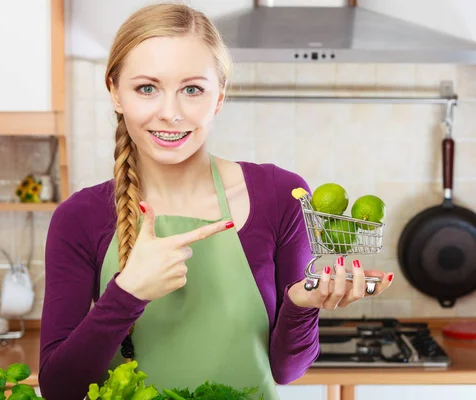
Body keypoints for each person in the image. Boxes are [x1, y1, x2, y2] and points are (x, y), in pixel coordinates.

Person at [38, 3, 394, 399]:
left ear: (219, 97)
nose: (170, 113)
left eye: (192, 89)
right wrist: (129, 292)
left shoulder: (281, 196)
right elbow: (58, 388)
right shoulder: (80, 218)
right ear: (115, 93)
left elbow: (287, 370)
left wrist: (301, 303)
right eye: (147, 88)